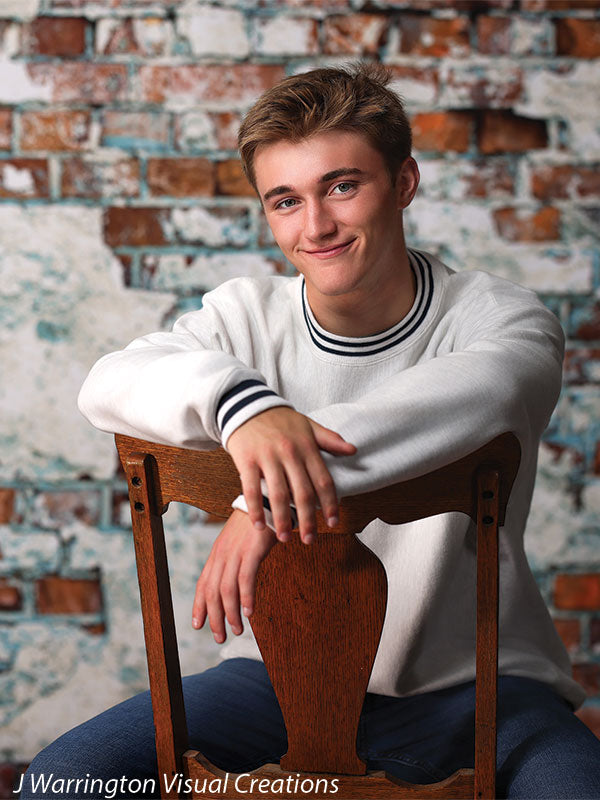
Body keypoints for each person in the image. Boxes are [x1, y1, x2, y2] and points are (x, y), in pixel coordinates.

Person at [21, 63, 600, 800]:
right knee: (65, 783)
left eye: (342, 186)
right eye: (285, 201)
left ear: (405, 182)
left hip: (481, 687)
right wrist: (247, 408)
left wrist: (259, 500)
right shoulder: (243, 318)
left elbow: (470, 394)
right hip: (270, 682)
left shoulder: (500, 319)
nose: (315, 226)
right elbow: (107, 383)